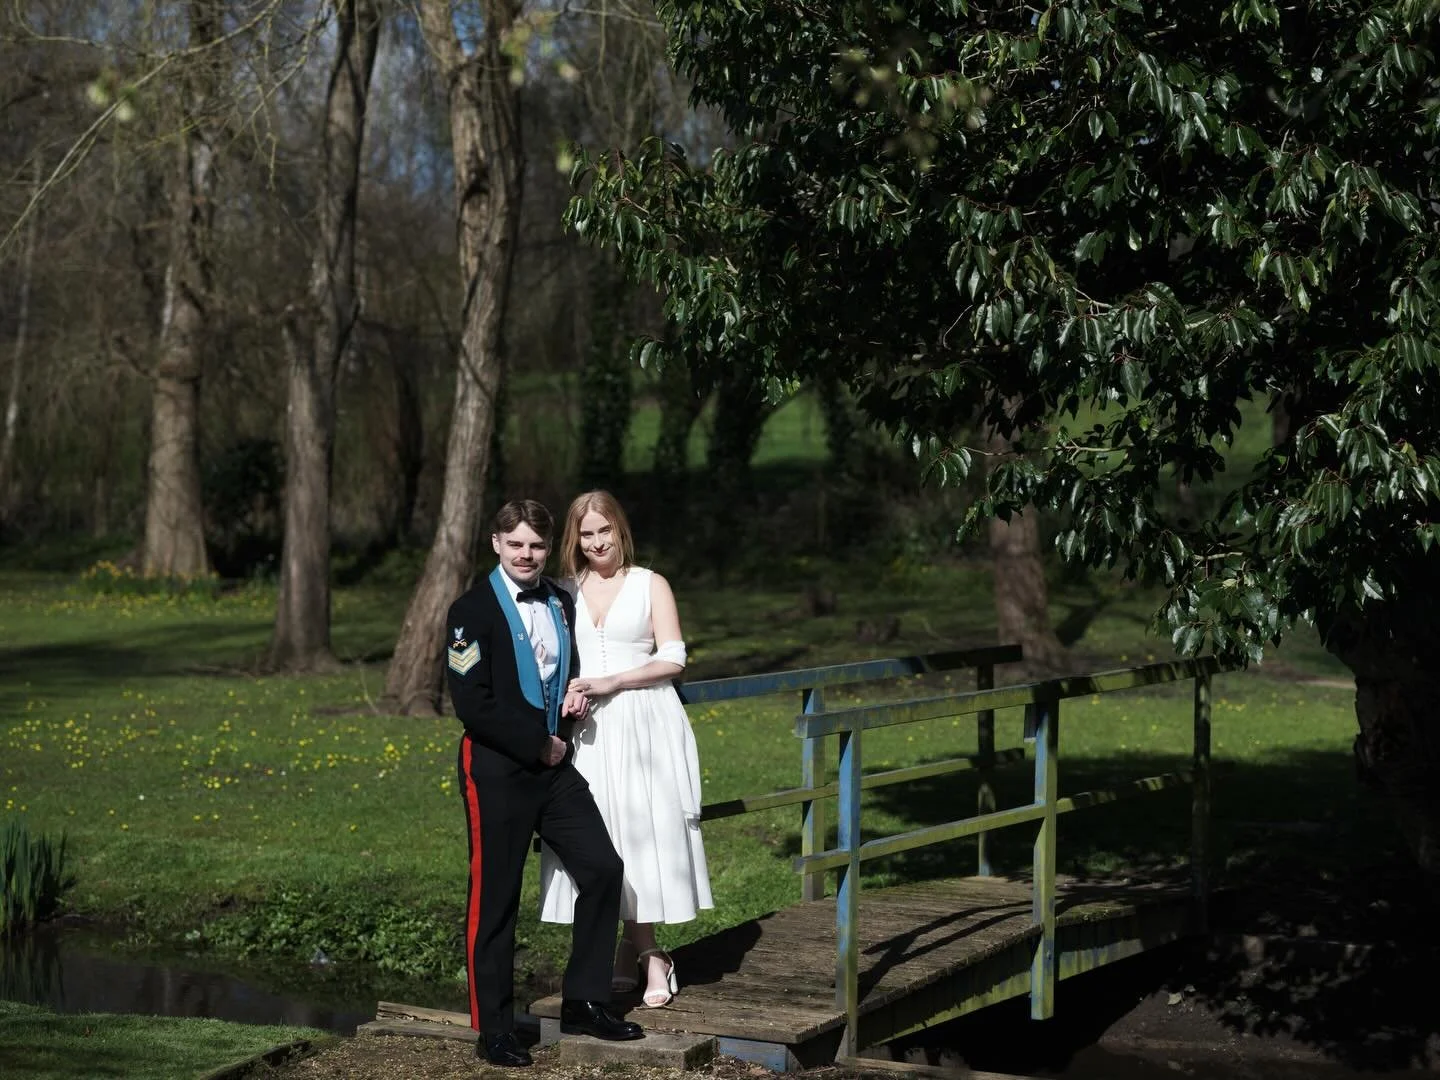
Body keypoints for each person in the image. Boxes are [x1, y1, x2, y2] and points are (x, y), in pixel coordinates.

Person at [446, 498, 644, 1067]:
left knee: (603, 870)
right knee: (495, 899)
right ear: (496, 545)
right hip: (497, 771)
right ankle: (495, 1030)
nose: (527, 555)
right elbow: (472, 704)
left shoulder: (559, 599)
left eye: (536, 545)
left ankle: (585, 1000)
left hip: (555, 769)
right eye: (516, 545)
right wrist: (538, 742)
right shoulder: (470, 610)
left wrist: (574, 696)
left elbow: (560, 665)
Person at [538, 490, 713, 1009]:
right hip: (588, 730)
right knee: (602, 836)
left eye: (604, 531)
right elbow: (556, 658)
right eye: (586, 534)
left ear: (620, 530)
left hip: (643, 721)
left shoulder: (650, 584)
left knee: (642, 837)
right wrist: (570, 688)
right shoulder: (563, 590)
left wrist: (613, 681)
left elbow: (675, 657)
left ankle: (647, 954)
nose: (596, 543)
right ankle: (639, 952)